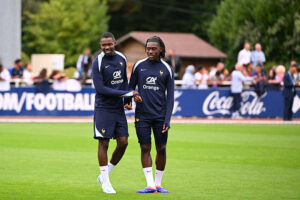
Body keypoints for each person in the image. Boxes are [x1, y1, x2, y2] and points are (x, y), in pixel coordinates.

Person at [92, 32, 141, 194]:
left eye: (109, 44)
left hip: (118, 108)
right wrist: (126, 95)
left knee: (123, 142)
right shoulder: (97, 62)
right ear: (101, 46)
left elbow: (124, 82)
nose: (106, 47)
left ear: (115, 43)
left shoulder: (121, 58)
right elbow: (101, 89)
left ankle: (105, 174)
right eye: (103, 45)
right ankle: (106, 182)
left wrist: (127, 100)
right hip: (103, 108)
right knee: (104, 143)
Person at [128, 36, 174, 193]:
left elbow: (171, 97)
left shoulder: (167, 69)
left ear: (160, 49)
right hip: (142, 115)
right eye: (148, 48)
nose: (150, 51)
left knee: (161, 148)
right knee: (145, 147)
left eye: (153, 48)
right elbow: (130, 88)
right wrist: (133, 96)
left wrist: (167, 119)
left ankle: (158, 184)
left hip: (160, 116)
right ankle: (150, 185)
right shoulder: (139, 66)